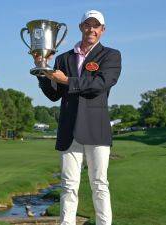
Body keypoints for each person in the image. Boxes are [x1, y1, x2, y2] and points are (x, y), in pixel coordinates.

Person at [34, 10, 121, 225]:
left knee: (99, 184)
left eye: (96, 26)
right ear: (81, 27)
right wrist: (42, 69)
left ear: (102, 30)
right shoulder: (64, 58)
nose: (91, 29)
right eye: (87, 25)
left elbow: (99, 85)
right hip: (69, 130)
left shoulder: (111, 55)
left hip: (96, 130)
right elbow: (54, 94)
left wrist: (67, 81)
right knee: (68, 185)